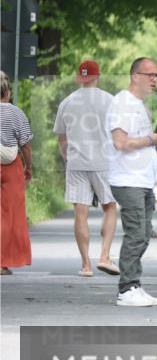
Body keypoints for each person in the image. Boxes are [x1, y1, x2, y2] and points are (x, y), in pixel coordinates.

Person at [52, 60, 119, 278]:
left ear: (78, 78)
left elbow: (62, 140)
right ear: (97, 76)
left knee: (80, 214)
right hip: (104, 163)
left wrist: (68, 158)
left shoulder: (67, 102)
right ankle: (105, 256)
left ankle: (86, 265)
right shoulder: (110, 101)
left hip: (77, 164)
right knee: (110, 207)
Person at [106, 57, 157, 306]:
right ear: (134, 76)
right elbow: (120, 143)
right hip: (128, 179)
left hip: (142, 180)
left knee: (144, 235)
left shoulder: (138, 105)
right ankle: (126, 289)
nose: (154, 80)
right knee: (136, 234)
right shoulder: (122, 103)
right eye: (149, 75)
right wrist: (150, 140)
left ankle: (135, 285)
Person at [1, 71, 32, 276]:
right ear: (8, 92)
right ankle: (3, 262)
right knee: (9, 215)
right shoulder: (16, 113)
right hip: (11, 166)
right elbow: (26, 144)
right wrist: (29, 166)